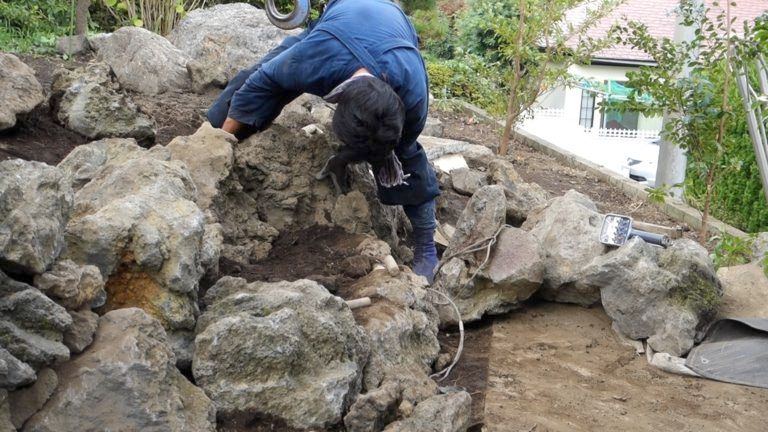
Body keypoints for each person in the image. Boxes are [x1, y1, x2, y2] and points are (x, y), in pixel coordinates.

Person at [207, 0, 440, 283]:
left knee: (406, 154)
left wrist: (348, 157)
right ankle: (210, 129)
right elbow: (259, 84)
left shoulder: (413, 93)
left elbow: (398, 148)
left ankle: (426, 247)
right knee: (252, 79)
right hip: (338, 27)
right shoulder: (315, 59)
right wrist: (222, 144)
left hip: (392, 31)